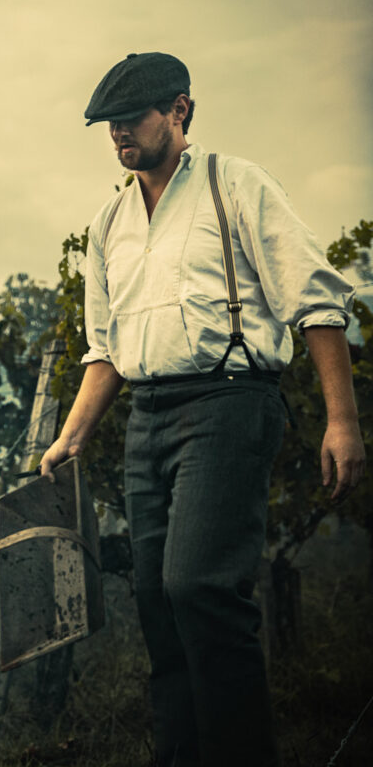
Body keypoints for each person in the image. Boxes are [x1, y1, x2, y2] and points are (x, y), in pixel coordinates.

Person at [40, 53, 365, 766]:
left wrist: (342, 420)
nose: (120, 133)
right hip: (148, 418)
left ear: (180, 111)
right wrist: (72, 437)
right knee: (160, 603)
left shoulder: (235, 185)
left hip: (229, 403)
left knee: (199, 588)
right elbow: (108, 350)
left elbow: (315, 299)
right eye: (110, 124)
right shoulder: (110, 222)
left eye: (133, 118)